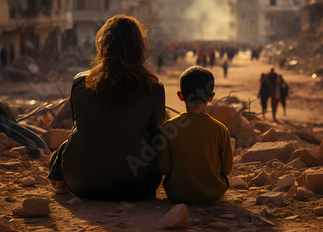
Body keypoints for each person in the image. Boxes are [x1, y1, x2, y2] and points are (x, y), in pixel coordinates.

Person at [48, 15, 165, 201]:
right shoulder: (154, 88)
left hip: (81, 182)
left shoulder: (81, 82)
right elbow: (156, 137)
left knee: (69, 141)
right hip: (137, 185)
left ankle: (60, 184)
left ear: (103, 46)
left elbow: (78, 128)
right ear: (139, 48)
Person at [158, 66, 233, 204]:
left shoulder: (169, 127)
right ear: (211, 97)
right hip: (211, 194)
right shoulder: (221, 129)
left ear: (180, 96)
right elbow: (226, 169)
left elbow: (164, 167)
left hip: (177, 194)